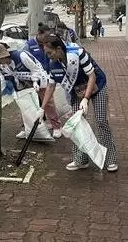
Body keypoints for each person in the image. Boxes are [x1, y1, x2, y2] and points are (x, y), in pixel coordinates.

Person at [39, 34, 118, 172]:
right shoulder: (53, 65)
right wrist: (42, 108)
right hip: (77, 91)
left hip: (97, 86)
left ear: (58, 49)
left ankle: (110, 159)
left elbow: (92, 75)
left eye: (50, 53)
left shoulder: (78, 53)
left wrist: (86, 99)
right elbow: (50, 87)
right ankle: (81, 160)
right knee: (76, 124)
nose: (48, 56)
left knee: (101, 121)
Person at [0, 43, 62, 139]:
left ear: (5, 55)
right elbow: (5, 78)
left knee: (47, 103)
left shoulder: (21, 56)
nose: (0, 63)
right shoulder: (2, 65)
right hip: (23, 84)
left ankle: (56, 126)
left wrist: (35, 81)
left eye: (0, 60)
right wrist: (1, 92)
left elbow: (35, 69)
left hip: (39, 79)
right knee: (25, 106)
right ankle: (28, 129)